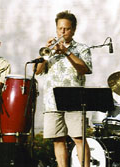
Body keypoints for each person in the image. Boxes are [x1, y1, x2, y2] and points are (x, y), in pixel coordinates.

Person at [35, 11, 92, 167]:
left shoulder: (82, 48)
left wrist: (66, 52)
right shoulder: (50, 50)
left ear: (73, 30)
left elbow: (84, 69)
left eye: (66, 29)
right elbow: (37, 71)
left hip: (74, 99)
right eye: (60, 28)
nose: (62, 32)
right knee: (57, 139)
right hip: (52, 101)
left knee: (79, 138)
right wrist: (46, 54)